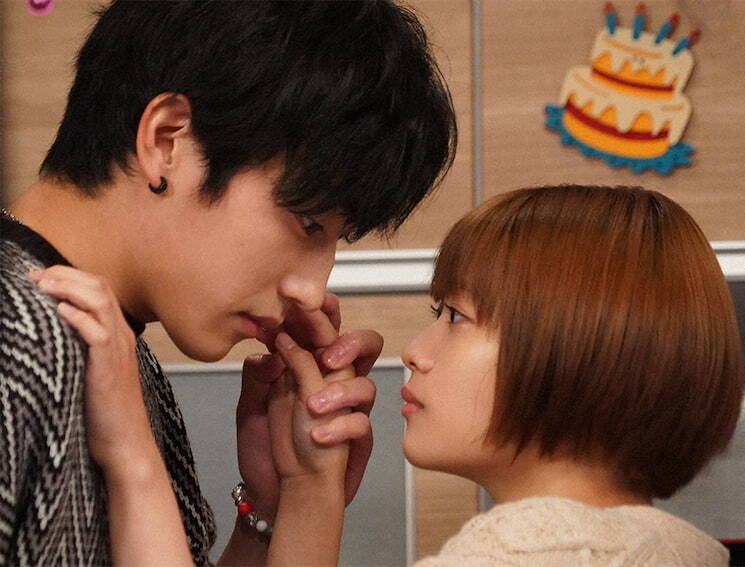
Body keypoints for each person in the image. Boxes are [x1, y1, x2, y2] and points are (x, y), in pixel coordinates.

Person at [0, 0, 456, 564]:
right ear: (166, 140)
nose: (311, 291)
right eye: (308, 222)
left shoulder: (115, 346)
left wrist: (277, 504)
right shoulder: (20, 335)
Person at [69, 184, 744, 565]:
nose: (416, 351)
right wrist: (304, 488)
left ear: (575, 347)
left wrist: (133, 457)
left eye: (455, 316)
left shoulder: (519, 555)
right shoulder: (680, 552)